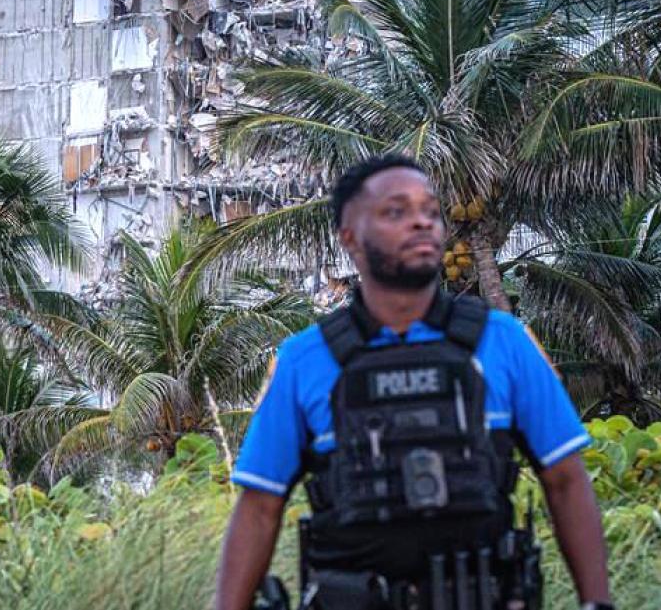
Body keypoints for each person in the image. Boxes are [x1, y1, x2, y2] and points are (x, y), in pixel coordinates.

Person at [214, 155, 612, 610]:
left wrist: (596, 603)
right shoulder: (305, 361)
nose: (422, 222)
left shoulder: (504, 342)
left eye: (430, 209)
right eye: (396, 212)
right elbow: (260, 508)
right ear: (350, 238)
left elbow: (565, 479)